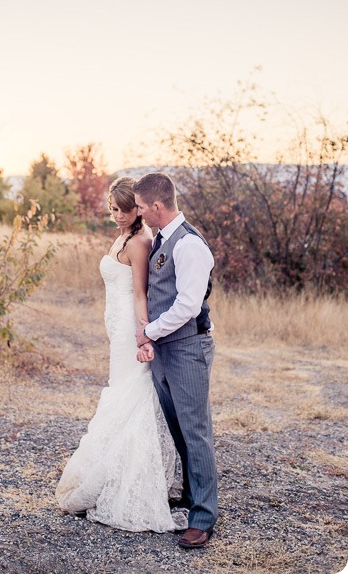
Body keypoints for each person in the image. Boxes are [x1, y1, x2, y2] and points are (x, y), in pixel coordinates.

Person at [55, 176, 184, 532]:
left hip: (131, 325)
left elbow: (142, 293)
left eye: (122, 210)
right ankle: (112, 466)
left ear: (137, 210)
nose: (115, 215)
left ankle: (132, 477)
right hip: (116, 324)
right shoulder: (124, 235)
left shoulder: (140, 242)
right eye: (112, 209)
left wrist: (143, 335)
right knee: (123, 391)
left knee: (134, 394)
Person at [133, 172, 218, 549]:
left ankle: (203, 517)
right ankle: (189, 494)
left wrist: (149, 332)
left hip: (187, 348)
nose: (137, 213)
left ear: (156, 206)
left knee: (196, 430)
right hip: (166, 350)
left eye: (139, 206)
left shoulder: (189, 246)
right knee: (178, 427)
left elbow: (186, 305)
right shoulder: (162, 240)